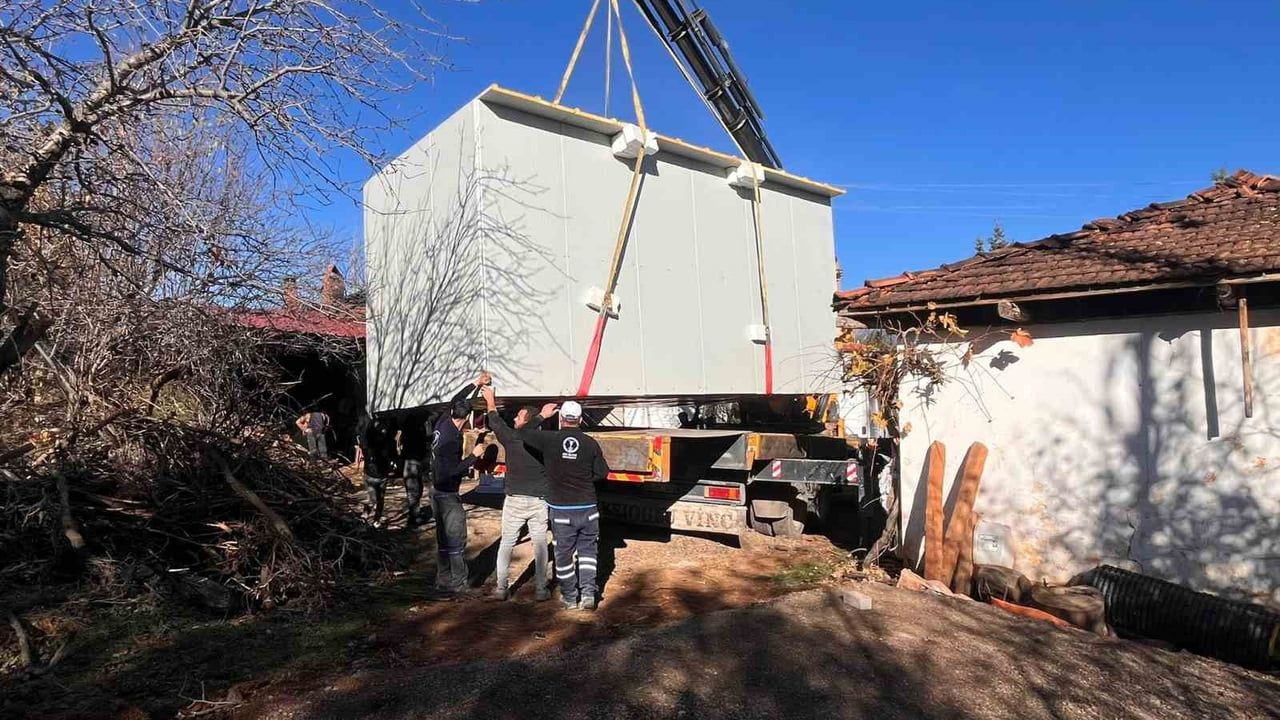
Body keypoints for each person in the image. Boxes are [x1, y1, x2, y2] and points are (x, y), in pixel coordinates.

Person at [519, 400, 609, 611]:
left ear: (561, 418)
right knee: (588, 552)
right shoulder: (590, 443)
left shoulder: (550, 440)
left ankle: (569, 597)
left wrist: (542, 415)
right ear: (580, 419)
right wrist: (584, 480)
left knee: (563, 554)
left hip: (562, 510)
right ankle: (588, 594)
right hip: (587, 507)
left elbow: (523, 433)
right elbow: (602, 472)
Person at [481, 385, 553, 601]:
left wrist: (490, 400)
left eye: (518, 417)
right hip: (539, 501)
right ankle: (541, 590)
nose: (514, 419)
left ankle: (502, 589)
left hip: (515, 501)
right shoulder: (546, 442)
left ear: (527, 421)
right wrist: (542, 417)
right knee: (540, 545)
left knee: (507, 544)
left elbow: (495, 421)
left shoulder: (512, 438)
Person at [429, 373, 490, 593]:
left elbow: (456, 398)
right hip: (447, 493)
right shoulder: (451, 439)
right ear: (467, 417)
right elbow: (453, 470)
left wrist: (476, 383)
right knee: (455, 539)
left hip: (435, 490)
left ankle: (443, 578)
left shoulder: (443, 422)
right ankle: (458, 582)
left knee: (443, 538)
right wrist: (474, 455)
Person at [356, 412, 396, 527]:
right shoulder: (373, 441)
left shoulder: (382, 441)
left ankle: (373, 519)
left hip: (379, 474)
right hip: (373, 474)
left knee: (378, 499)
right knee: (375, 500)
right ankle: (370, 517)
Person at [398, 411, 430, 527]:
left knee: (416, 489)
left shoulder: (410, 427)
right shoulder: (414, 429)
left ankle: (414, 514)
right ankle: (414, 517)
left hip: (413, 461)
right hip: (412, 461)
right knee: (414, 491)